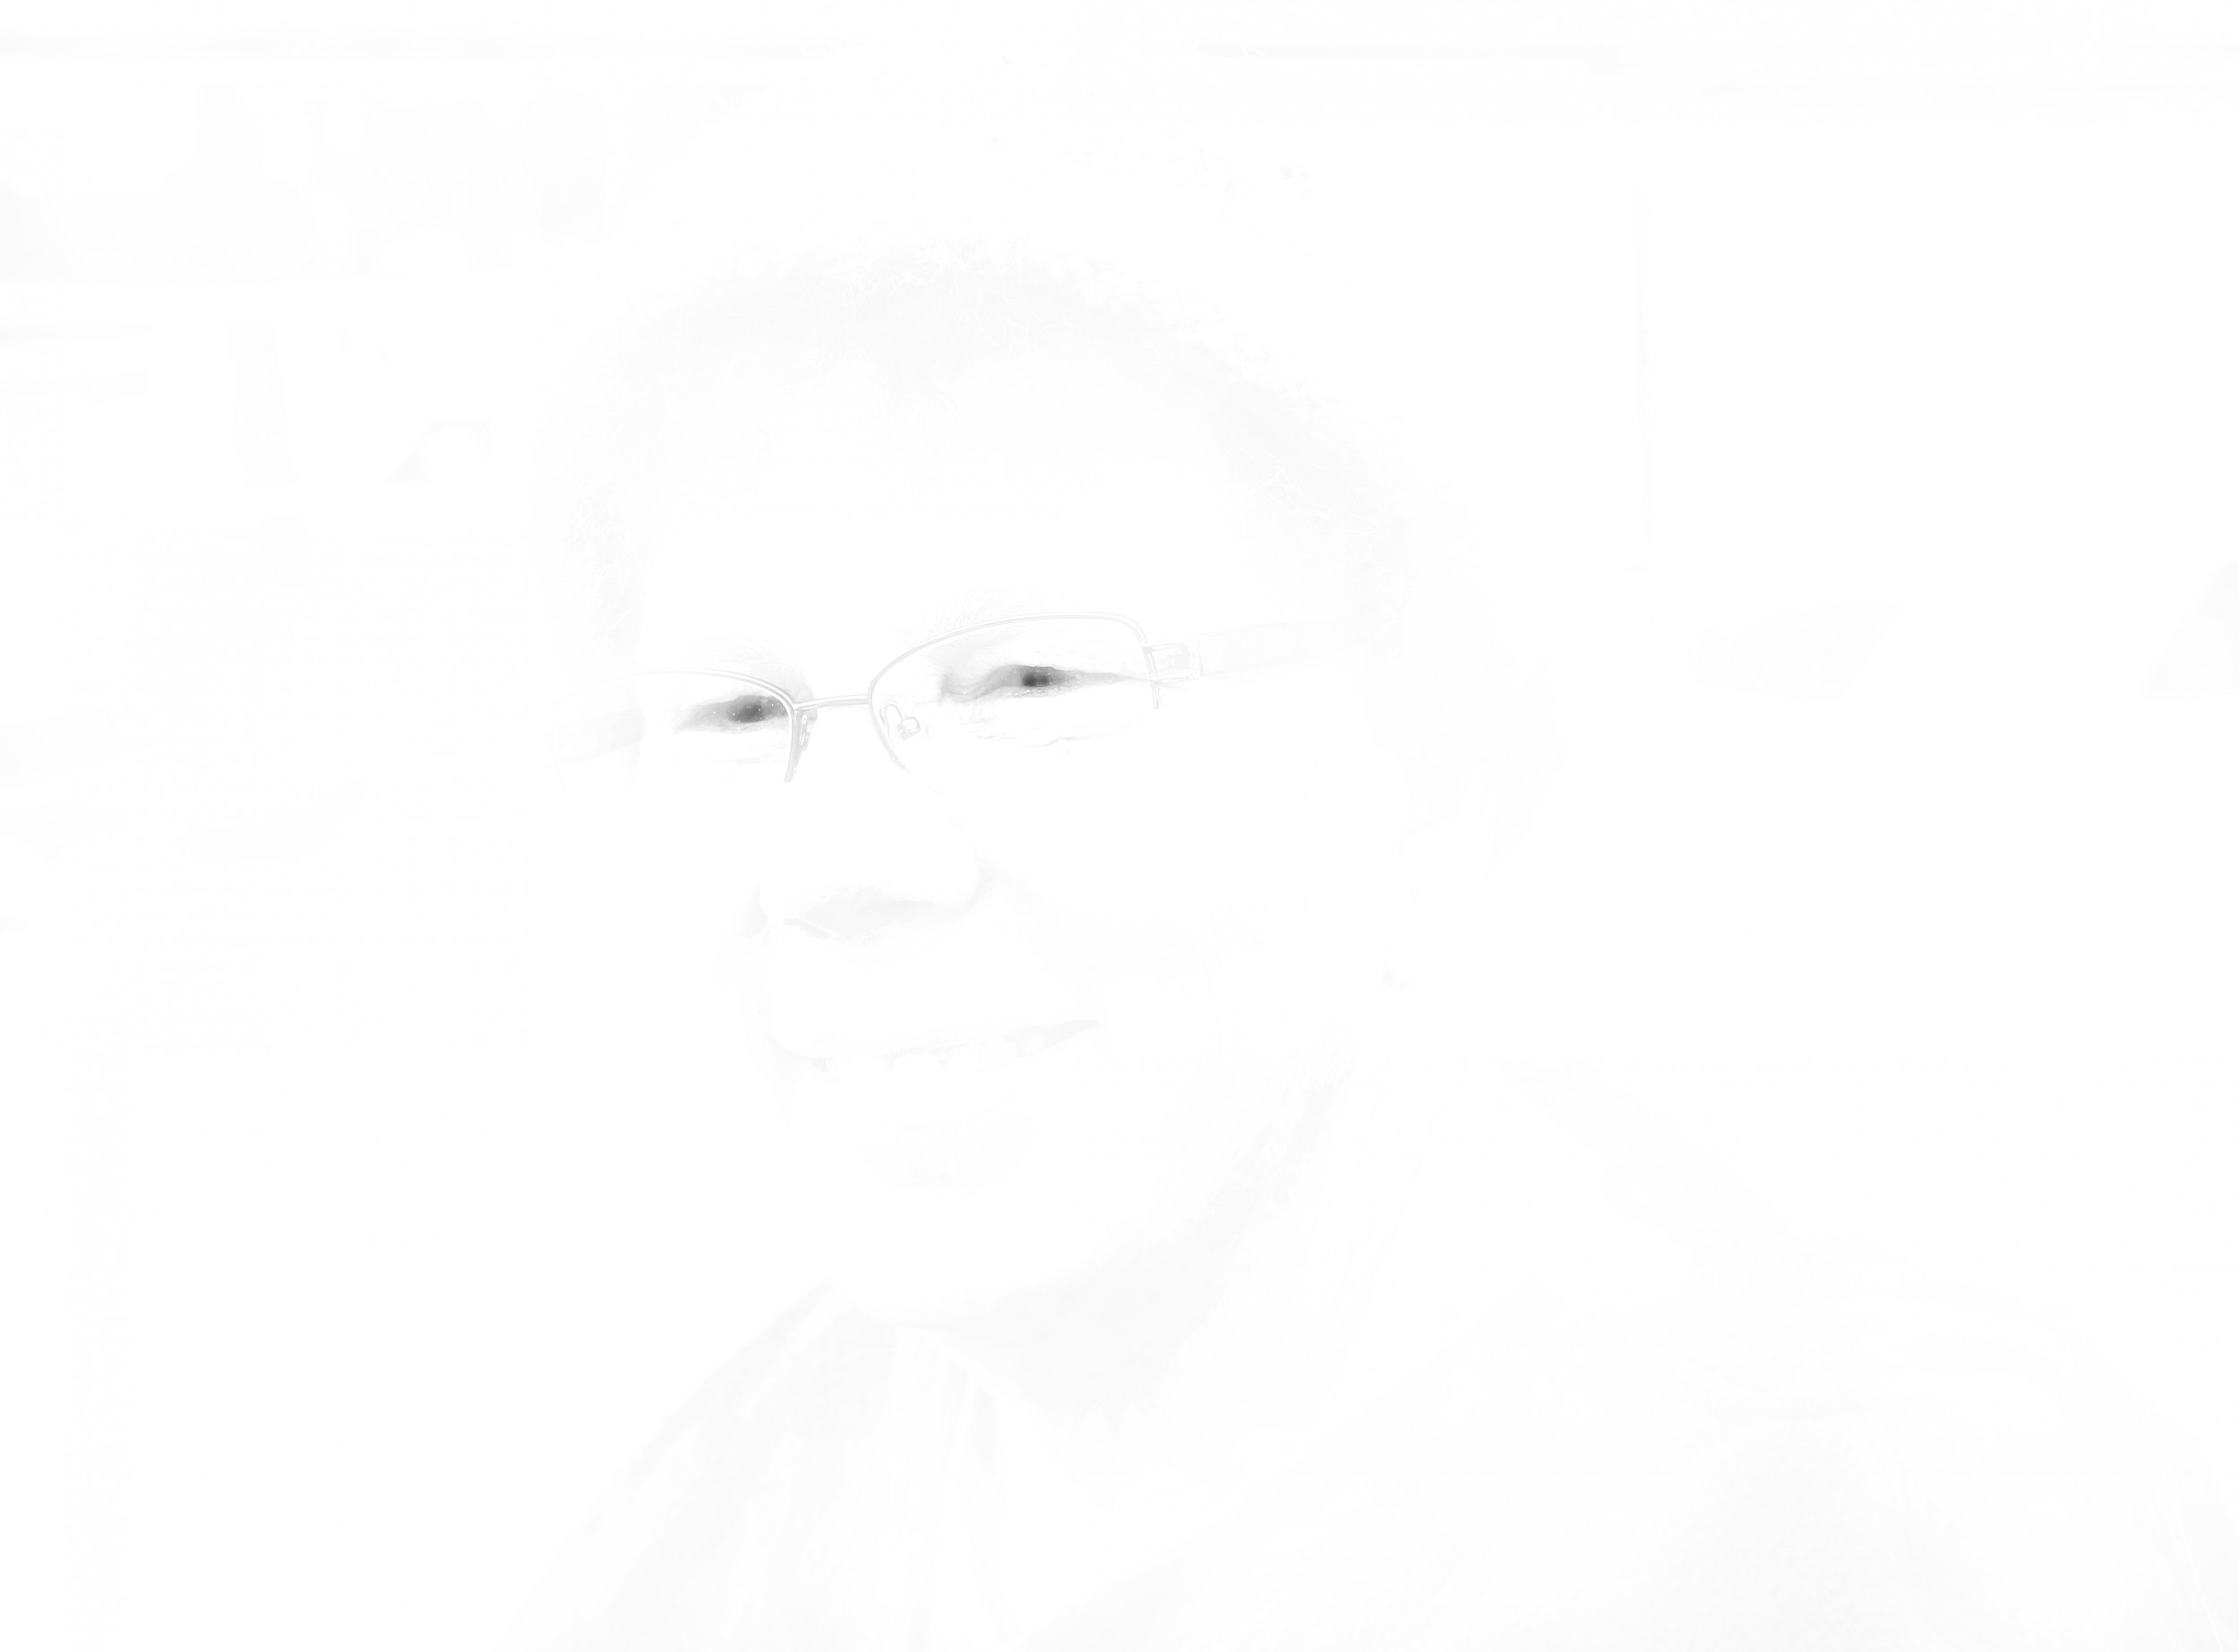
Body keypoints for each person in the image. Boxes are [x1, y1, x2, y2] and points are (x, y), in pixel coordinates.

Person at [509, 244, 2235, 1650]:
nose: (836, 864)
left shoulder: (1867, 1546)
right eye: (734, 714)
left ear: (1434, 801)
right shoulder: (713, 1519)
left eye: (1032, 681)